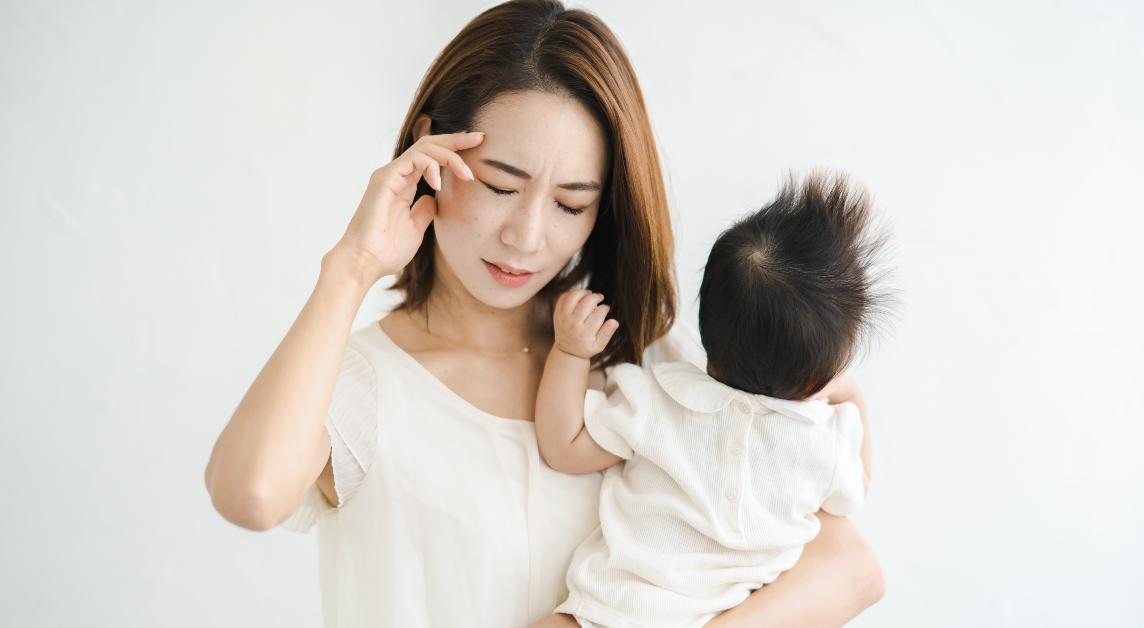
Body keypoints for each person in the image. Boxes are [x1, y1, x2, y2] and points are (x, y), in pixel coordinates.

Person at [203, 1, 885, 626]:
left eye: (571, 204)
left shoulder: (651, 366)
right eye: (501, 185)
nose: (527, 237)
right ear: (428, 152)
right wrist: (351, 267)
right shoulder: (364, 384)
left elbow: (848, 566)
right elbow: (251, 494)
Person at [531, 172, 891, 627]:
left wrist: (568, 353)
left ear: (708, 333)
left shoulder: (659, 397)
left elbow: (562, 446)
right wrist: (850, 393)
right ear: (818, 378)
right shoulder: (821, 444)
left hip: (611, 612)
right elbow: (856, 487)